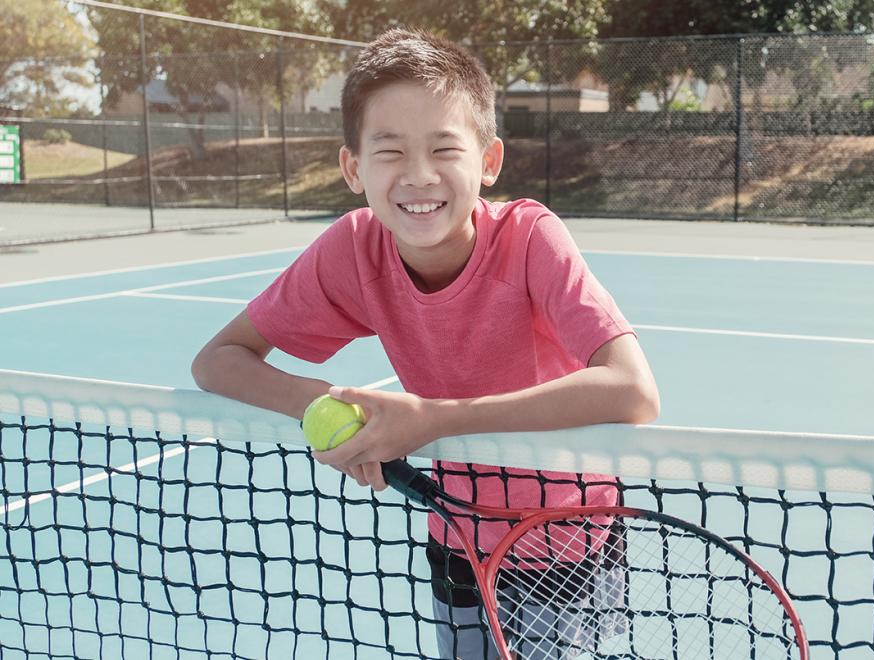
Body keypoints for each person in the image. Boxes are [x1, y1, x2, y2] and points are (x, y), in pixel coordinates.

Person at [190, 27, 659, 658]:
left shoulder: (529, 240)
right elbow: (218, 361)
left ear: (488, 162)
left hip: (564, 537)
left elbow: (633, 390)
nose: (419, 175)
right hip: (457, 531)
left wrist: (431, 422)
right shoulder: (353, 249)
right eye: (389, 152)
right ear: (353, 168)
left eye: (444, 148)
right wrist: (329, 407)